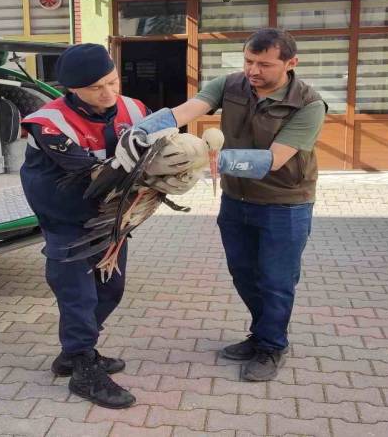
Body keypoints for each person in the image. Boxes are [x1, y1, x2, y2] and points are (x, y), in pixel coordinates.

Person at [120, 28, 326, 381]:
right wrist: (138, 131)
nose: (253, 71)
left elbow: (272, 161)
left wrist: (199, 158)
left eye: (264, 64)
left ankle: (272, 346)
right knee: (244, 274)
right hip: (236, 201)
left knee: (275, 280)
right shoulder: (229, 85)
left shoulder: (308, 104)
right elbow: (184, 112)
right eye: (248, 61)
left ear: (291, 63)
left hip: (285, 204)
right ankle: (260, 333)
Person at [19, 43, 156, 409]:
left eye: (113, 82)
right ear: (72, 90)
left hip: (110, 218)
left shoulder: (134, 108)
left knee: (111, 288)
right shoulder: (49, 124)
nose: (109, 94)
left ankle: (75, 351)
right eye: (97, 88)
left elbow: (161, 144)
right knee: (78, 293)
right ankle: (83, 367)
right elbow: (95, 177)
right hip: (66, 218)